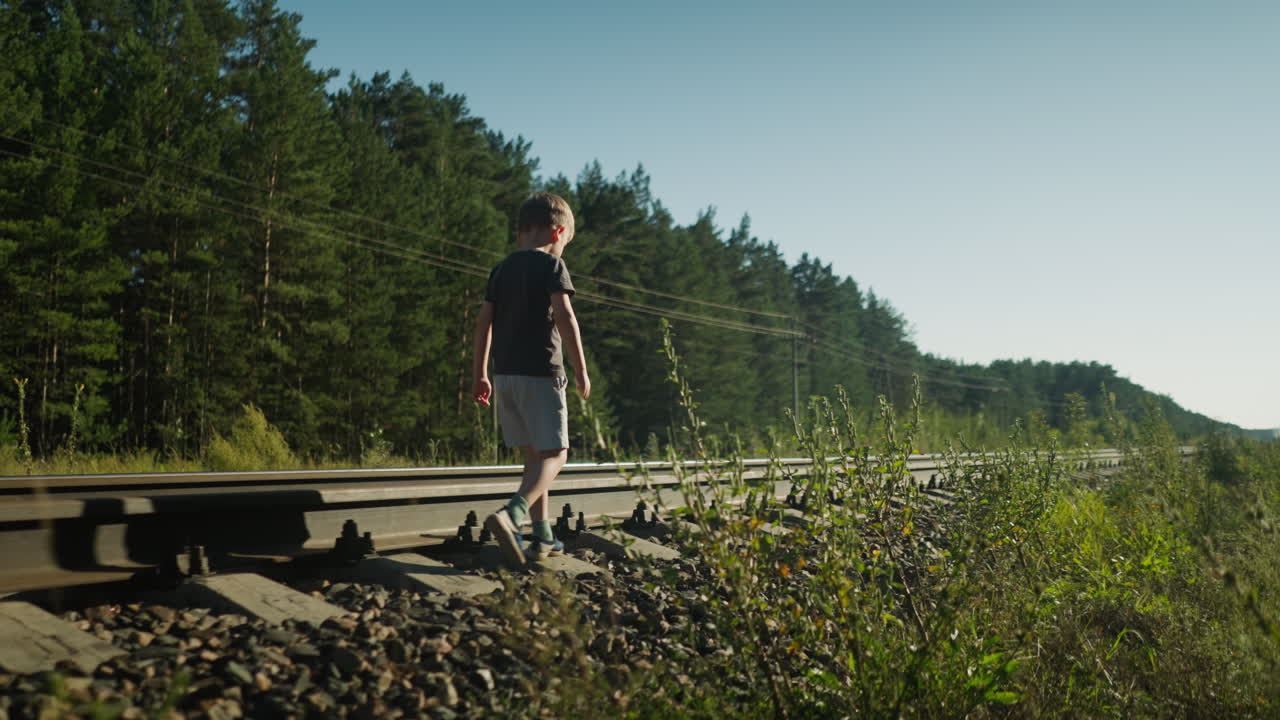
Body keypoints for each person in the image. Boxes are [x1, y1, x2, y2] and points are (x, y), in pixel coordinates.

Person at [472, 192, 590, 565]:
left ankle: (542, 536)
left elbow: (482, 324)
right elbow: (565, 317)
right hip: (541, 373)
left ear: (519, 232)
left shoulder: (500, 269)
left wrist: (480, 374)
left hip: (504, 376)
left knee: (535, 459)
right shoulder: (551, 268)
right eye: (565, 243)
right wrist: (581, 369)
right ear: (558, 232)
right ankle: (512, 514)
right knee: (557, 455)